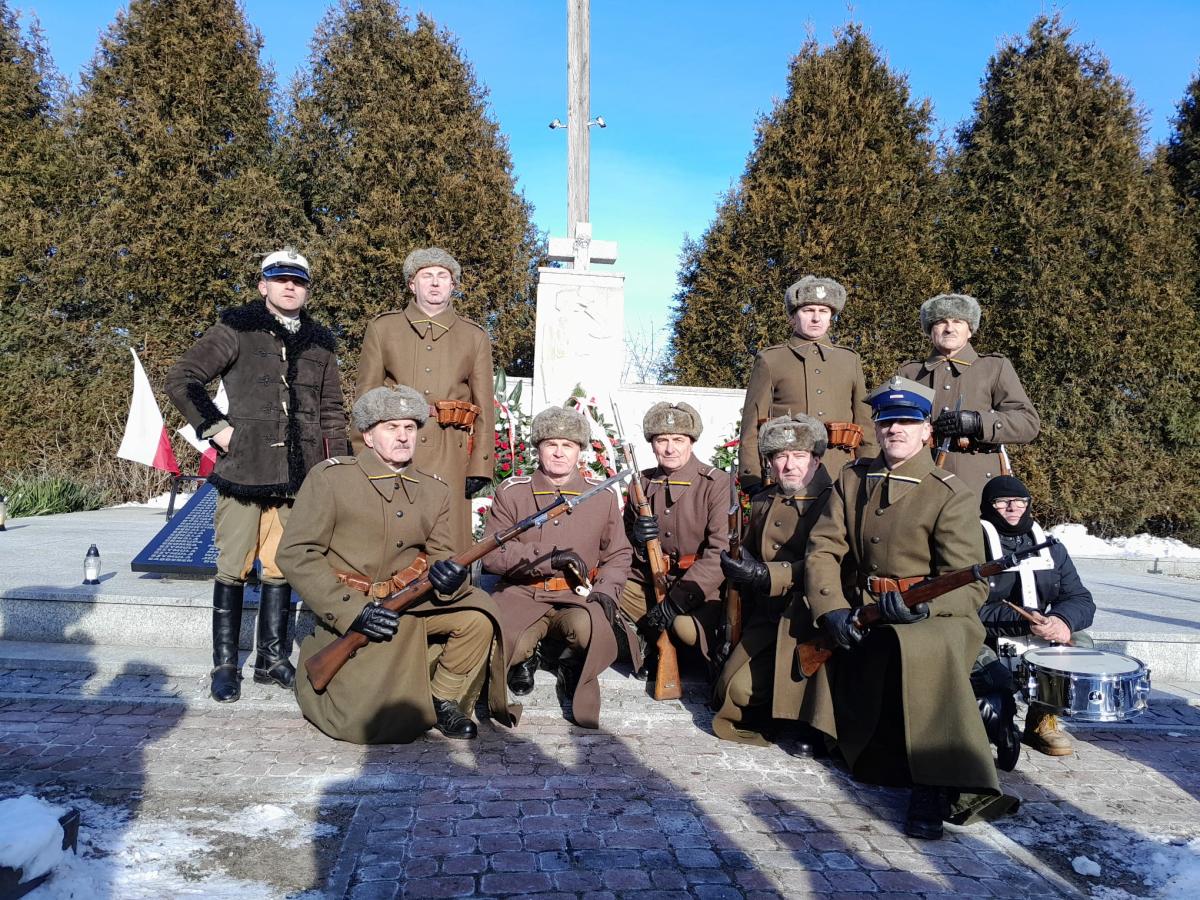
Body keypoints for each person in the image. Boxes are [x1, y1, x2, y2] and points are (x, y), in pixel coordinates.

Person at [804, 376, 1015, 840]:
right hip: (866, 605)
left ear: (926, 431)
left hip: (937, 614)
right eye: (886, 421)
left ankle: (938, 781)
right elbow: (823, 550)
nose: (894, 429)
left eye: (907, 421)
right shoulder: (852, 480)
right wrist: (831, 607)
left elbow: (970, 585)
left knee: (927, 648)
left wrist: (926, 608)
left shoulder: (950, 493)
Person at [277, 385, 515, 744]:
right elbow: (296, 554)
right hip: (352, 610)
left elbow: (442, 553)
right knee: (363, 725)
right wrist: (353, 611)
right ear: (369, 436)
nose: (403, 436)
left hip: (410, 604)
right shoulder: (331, 479)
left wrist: (449, 577)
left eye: (410, 427)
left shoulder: (434, 490)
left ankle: (443, 698)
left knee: (478, 615)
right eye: (391, 427)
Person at [165, 248, 348, 703]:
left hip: (300, 477)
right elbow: (182, 379)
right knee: (233, 565)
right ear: (263, 285)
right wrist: (217, 428)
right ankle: (226, 665)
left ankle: (271, 660)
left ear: (307, 290)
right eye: (281, 279)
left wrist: (337, 467)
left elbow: (331, 412)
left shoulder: (321, 343)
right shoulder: (235, 329)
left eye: (298, 281)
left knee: (283, 565)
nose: (290, 287)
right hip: (244, 469)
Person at [483, 406, 632, 729]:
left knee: (591, 631)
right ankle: (528, 656)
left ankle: (566, 660)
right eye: (551, 444)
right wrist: (548, 558)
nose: (559, 453)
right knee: (504, 647)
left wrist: (607, 591)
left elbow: (618, 554)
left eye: (568, 445)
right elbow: (492, 554)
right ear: (538, 448)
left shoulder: (601, 497)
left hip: (574, 596)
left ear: (580, 451)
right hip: (521, 593)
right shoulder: (513, 492)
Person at [354, 248, 495, 550]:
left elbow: (484, 406)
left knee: (448, 541)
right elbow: (365, 398)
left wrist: (481, 466)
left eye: (442, 276)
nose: (434, 283)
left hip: (451, 452)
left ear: (452, 286)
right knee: (392, 531)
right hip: (395, 446)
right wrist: (361, 451)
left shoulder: (474, 336)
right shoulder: (383, 328)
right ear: (411, 284)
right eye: (426, 276)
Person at [711, 414, 833, 753]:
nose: (789, 465)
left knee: (744, 694)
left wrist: (767, 575)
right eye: (780, 456)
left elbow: (830, 564)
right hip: (767, 618)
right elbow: (749, 553)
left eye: (799, 455)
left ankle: (807, 719)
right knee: (726, 689)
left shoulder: (834, 501)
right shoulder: (764, 501)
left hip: (809, 621)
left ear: (816, 459)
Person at [976, 475, 1096, 758]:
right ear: (988, 505)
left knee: (1080, 642)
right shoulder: (970, 544)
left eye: (1020, 501)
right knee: (978, 659)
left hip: (1039, 630)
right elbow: (965, 606)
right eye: (1002, 501)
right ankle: (997, 718)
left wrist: (1062, 621)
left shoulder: (1051, 547)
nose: (1012, 507)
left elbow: (1080, 598)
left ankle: (1042, 719)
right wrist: (1024, 620)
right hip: (986, 632)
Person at [618, 401, 730, 677]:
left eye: (678, 440)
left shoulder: (715, 483)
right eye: (662, 440)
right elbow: (619, 547)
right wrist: (636, 540)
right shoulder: (641, 483)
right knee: (608, 593)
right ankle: (645, 645)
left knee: (683, 629)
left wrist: (676, 601)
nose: (670, 448)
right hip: (649, 583)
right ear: (652, 445)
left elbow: (720, 552)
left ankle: (673, 648)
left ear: (691, 442)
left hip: (698, 589)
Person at [738, 276, 875, 495]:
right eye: (808, 310)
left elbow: (864, 424)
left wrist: (869, 470)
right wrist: (751, 476)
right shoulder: (771, 360)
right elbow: (752, 424)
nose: (816, 318)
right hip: (787, 475)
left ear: (831, 318)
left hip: (839, 474)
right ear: (793, 317)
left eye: (824, 311)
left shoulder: (849, 360)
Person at [897, 293, 1040, 495]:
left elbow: (1028, 423)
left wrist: (978, 422)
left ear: (970, 330)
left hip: (978, 486)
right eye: (941, 322)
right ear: (930, 330)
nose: (949, 328)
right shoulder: (910, 373)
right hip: (921, 484)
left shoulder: (993, 367)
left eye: (958, 321)